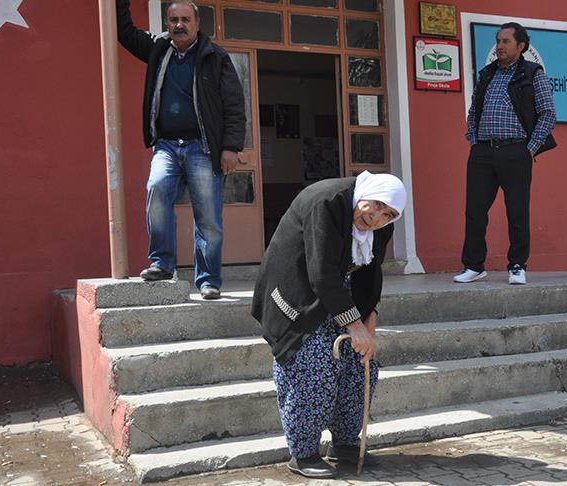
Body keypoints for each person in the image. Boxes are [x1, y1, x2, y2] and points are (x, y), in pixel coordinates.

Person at [251, 171, 407, 479]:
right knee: (313, 368)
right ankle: (303, 452)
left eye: (387, 214)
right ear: (367, 192)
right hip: (295, 290)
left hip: (337, 290)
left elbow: (371, 274)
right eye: (374, 205)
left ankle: (346, 444)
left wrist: (369, 321)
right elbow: (320, 273)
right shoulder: (327, 202)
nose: (375, 217)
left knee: (361, 368)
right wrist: (354, 325)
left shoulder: (380, 228)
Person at [115, 0, 247, 299]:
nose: (179, 25)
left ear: (197, 24)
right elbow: (124, 32)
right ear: (167, 22)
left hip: (203, 147)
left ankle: (209, 280)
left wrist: (230, 147)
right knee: (157, 188)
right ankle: (162, 263)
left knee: (208, 217)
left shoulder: (216, 57)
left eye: (185, 19)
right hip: (167, 145)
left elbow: (234, 106)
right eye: (173, 19)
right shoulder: (159, 49)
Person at [454, 22, 556, 286]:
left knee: (517, 211)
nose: (499, 46)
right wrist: (474, 140)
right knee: (475, 210)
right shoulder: (487, 73)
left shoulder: (533, 74)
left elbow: (548, 115)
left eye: (505, 41)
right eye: (498, 41)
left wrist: (529, 149)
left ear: (521, 46)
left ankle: (518, 265)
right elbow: (474, 110)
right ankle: (474, 265)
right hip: (482, 152)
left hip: (515, 151)